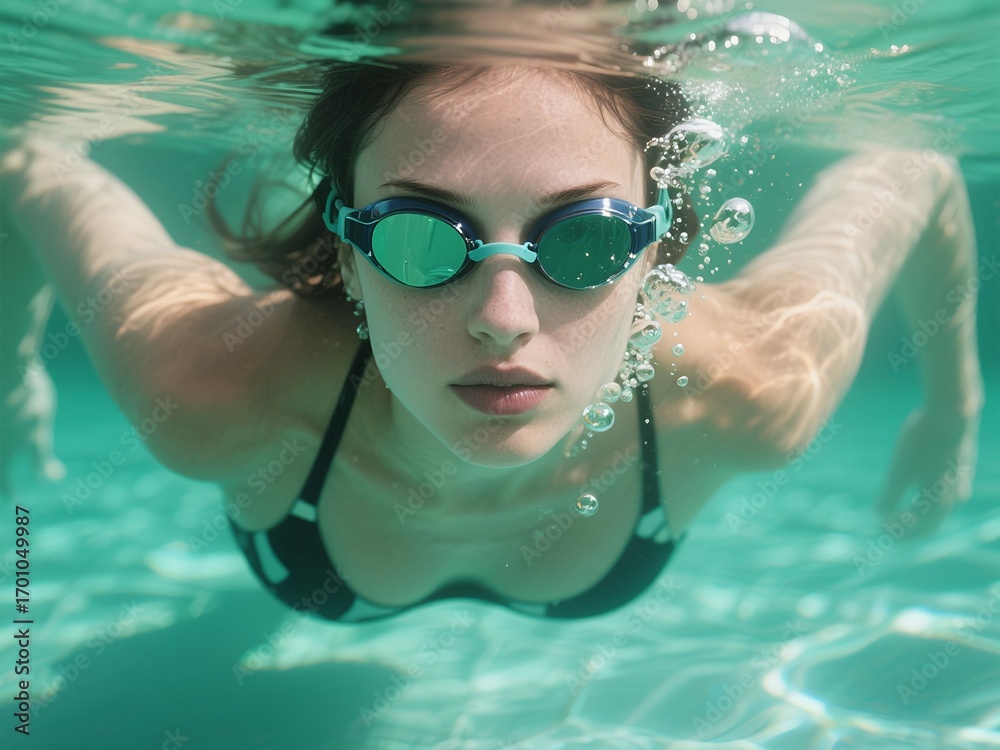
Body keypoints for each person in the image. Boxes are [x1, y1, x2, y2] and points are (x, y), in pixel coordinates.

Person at [0, 59, 982, 623]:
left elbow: (914, 168)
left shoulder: (751, 385)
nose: (503, 318)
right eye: (422, 239)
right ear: (345, 257)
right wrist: (11, 374)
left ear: (654, 256)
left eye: (585, 240)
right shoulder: (209, 387)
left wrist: (952, 407)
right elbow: (31, 169)